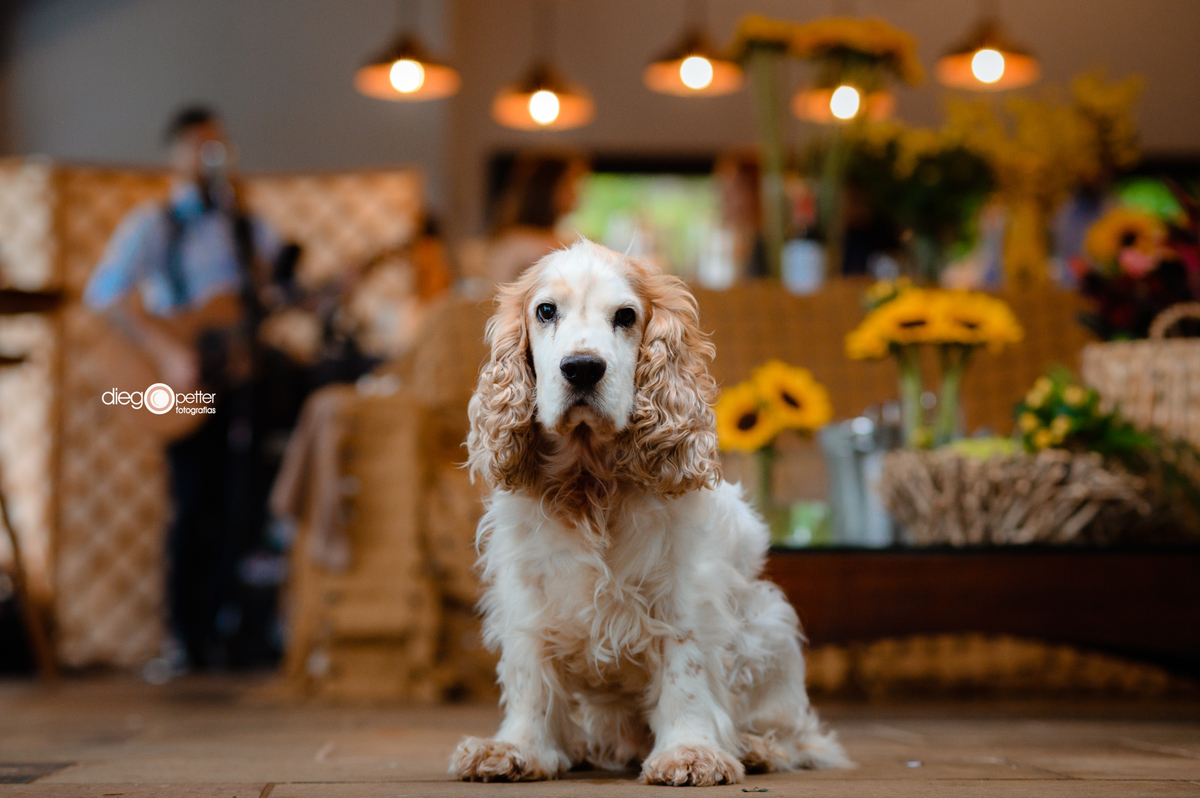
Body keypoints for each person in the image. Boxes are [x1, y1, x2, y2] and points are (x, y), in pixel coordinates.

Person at [84, 106, 284, 670]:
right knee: (192, 502)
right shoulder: (153, 224)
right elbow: (105, 294)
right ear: (175, 153)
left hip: (236, 381)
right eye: (199, 146)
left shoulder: (246, 227)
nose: (210, 156)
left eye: (218, 145)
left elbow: (272, 294)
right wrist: (167, 349)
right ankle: (183, 636)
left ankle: (230, 634)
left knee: (238, 503)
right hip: (175, 382)